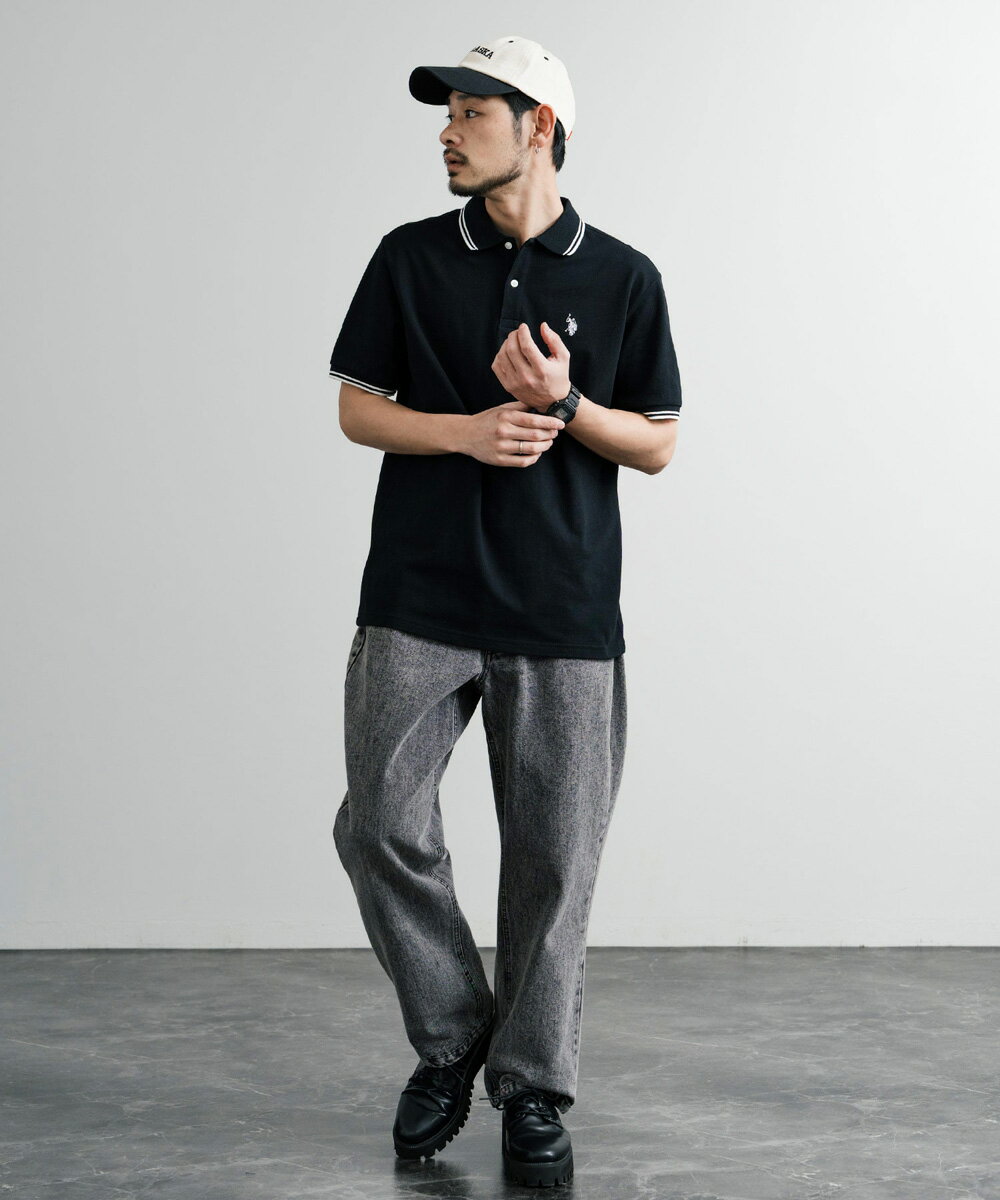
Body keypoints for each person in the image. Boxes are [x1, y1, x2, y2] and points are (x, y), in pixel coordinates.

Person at [328, 33, 682, 1188]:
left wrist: (567, 404)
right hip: (416, 592)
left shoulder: (623, 277)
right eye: (445, 114)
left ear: (538, 126)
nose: (445, 132)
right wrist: (466, 432)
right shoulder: (408, 257)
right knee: (377, 822)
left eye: (469, 113)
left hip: (561, 606)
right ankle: (453, 1034)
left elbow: (657, 444)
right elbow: (358, 411)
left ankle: (532, 1087)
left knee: (552, 861)